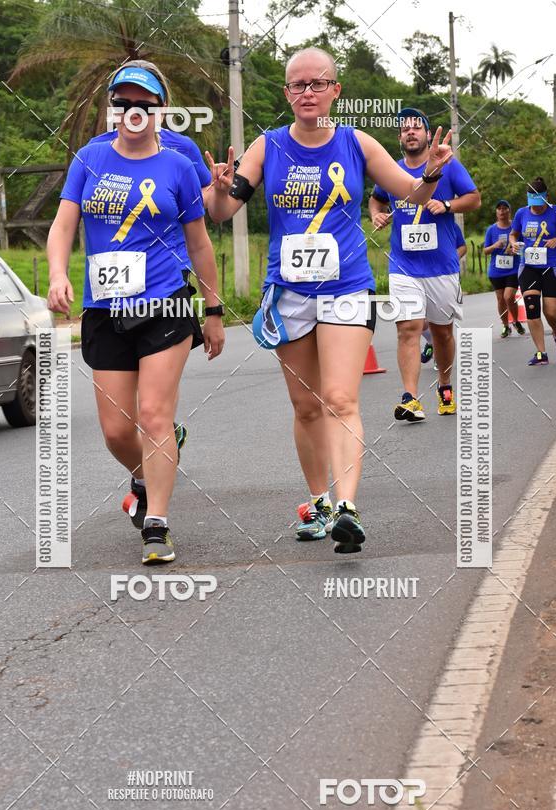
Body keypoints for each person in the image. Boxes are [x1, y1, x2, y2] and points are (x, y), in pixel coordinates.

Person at [204, 48, 453, 552]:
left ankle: (348, 508)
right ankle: (319, 502)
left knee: (341, 399)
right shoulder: (267, 146)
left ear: (336, 90)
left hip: (346, 288)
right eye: (298, 85)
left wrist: (430, 171)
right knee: (307, 406)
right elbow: (223, 212)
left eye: (318, 84)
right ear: (287, 94)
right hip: (289, 292)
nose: (308, 93)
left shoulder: (357, 143)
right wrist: (218, 189)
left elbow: (412, 195)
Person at [47, 60, 224, 564]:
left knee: (153, 415)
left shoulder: (177, 166)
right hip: (105, 307)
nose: (132, 112)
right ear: (112, 109)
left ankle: (157, 525)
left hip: (165, 304)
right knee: (118, 430)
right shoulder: (89, 158)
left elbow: (200, 243)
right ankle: (147, 473)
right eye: (122, 103)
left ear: (160, 110)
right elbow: (62, 226)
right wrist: (58, 274)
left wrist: (212, 309)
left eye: (143, 104)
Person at [369, 107, 481, 422]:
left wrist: (447, 205)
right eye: (405, 128)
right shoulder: (392, 170)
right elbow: (376, 198)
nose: (410, 132)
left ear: (428, 135)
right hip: (403, 265)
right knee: (408, 328)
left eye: (417, 127)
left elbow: (474, 198)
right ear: (399, 137)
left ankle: (444, 384)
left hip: (442, 266)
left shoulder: (449, 165)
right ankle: (410, 397)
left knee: (443, 334)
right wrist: (376, 213)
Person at [509, 177, 556, 364]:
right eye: (533, 204)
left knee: (550, 312)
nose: (537, 208)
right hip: (529, 267)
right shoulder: (521, 213)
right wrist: (513, 244)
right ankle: (541, 353)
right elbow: (513, 234)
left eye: (540, 204)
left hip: (552, 266)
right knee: (532, 306)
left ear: (546, 197)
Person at [421, 221, 468, 363]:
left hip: (445, 275)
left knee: (441, 323)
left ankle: (439, 357)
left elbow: (463, 247)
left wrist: (451, 257)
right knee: (419, 321)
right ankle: (431, 342)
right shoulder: (413, 222)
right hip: (417, 275)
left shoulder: (450, 224)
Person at [483, 200, 524, 339]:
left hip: (513, 269)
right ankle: (506, 326)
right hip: (496, 270)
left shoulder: (516, 227)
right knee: (500, 300)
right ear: (496, 212)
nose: (502, 211)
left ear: (509, 211)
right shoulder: (491, 230)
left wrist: (515, 250)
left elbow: (523, 245)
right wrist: (495, 245)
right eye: (499, 209)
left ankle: (516, 321)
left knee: (509, 296)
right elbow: (485, 251)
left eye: (504, 208)